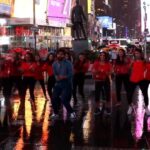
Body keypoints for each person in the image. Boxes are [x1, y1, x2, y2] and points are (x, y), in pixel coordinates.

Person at [51, 49, 76, 119]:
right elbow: (55, 73)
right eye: (58, 54)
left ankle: (72, 112)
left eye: (61, 54)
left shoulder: (68, 63)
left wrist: (64, 77)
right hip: (58, 83)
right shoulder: (54, 64)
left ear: (64, 55)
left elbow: (71, 74)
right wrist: (56, 77)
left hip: (67, 83)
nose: (60, 55)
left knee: (64, 99)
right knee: (53, 98)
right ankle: (55, 113)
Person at [128, 48, 149, 115]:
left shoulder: (144, 61)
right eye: (135, 53)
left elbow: (148, 70)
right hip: (133, 79)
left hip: (142, 80)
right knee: (129, 94)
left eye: (138, 53)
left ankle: (146, 107)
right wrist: (131, 63)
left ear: (141, 54)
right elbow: (129, 68)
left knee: (145, 94)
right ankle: (131, 106)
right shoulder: (133, 61)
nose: (136, 54)